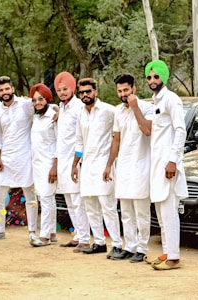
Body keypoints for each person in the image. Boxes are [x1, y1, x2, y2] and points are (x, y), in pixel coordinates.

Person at [103, 73, 154, 263]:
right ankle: (130, 246)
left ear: (134, 88)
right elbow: (116, 139)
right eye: (120, 91)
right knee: (126, 211)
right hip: (123, 166)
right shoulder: (118, 111)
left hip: (141, 165)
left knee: (141, 211)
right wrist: (109, 164)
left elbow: (147, 130)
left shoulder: (148, 107)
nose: (123, 94)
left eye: (126, 90)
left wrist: (135, 108)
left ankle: (142, 247)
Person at [144, 60, 188, 270]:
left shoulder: (172, 99)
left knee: (169, 211)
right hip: (157, 165)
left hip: (168, 166)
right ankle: (166, 252)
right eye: (149, 77)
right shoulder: (156, 102)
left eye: (156, 76)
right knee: (161, 212)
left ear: (164, 77)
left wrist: (173, 160)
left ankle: (174, 258)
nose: (152, 81)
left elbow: (180, 130)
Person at [71, 78, 122, 258]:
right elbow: (79, 141)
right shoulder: (80, 114)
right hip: (87, 166)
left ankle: (117, 244)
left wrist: (110, 164)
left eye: (88, 91)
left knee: (107, 206)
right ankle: (99, 242)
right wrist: (74, 165)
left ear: (95, 92)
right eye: (82, 92)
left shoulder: (109, 111)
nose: (85, 95)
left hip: (104, 166)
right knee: (90, 206)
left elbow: (118, 136)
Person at [0, 76, 42, 242]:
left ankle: (32, 231)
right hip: (5, 158)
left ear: (12, 89)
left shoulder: (26, 104)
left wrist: (57, 112)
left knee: (31, 198)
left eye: (7, 89)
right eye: (1, 90)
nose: (5, 92)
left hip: (25, 157)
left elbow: (43, 109)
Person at [54, 72, 91, 253]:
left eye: (65, 89)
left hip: (75, 161)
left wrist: (77, 161)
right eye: (59, 90)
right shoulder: (62, 107)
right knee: (69, 201)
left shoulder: (78, 107)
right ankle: (77, 235)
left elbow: (80, 137)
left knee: (77, 201)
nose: (62, 92)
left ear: (72, 88)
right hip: (63, 161)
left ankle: (85, 239)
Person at [29, 83, 58, 247]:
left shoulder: (54, 116)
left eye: (41, 99)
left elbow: (58, 142)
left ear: (47, 99)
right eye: (34, 100)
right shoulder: (35, 117)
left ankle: (45, 235)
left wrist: (55, 166)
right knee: (45, 198)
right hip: (37, 163)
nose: (37, 103)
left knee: (47, 199)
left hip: (49, 163)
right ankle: (52, 232)